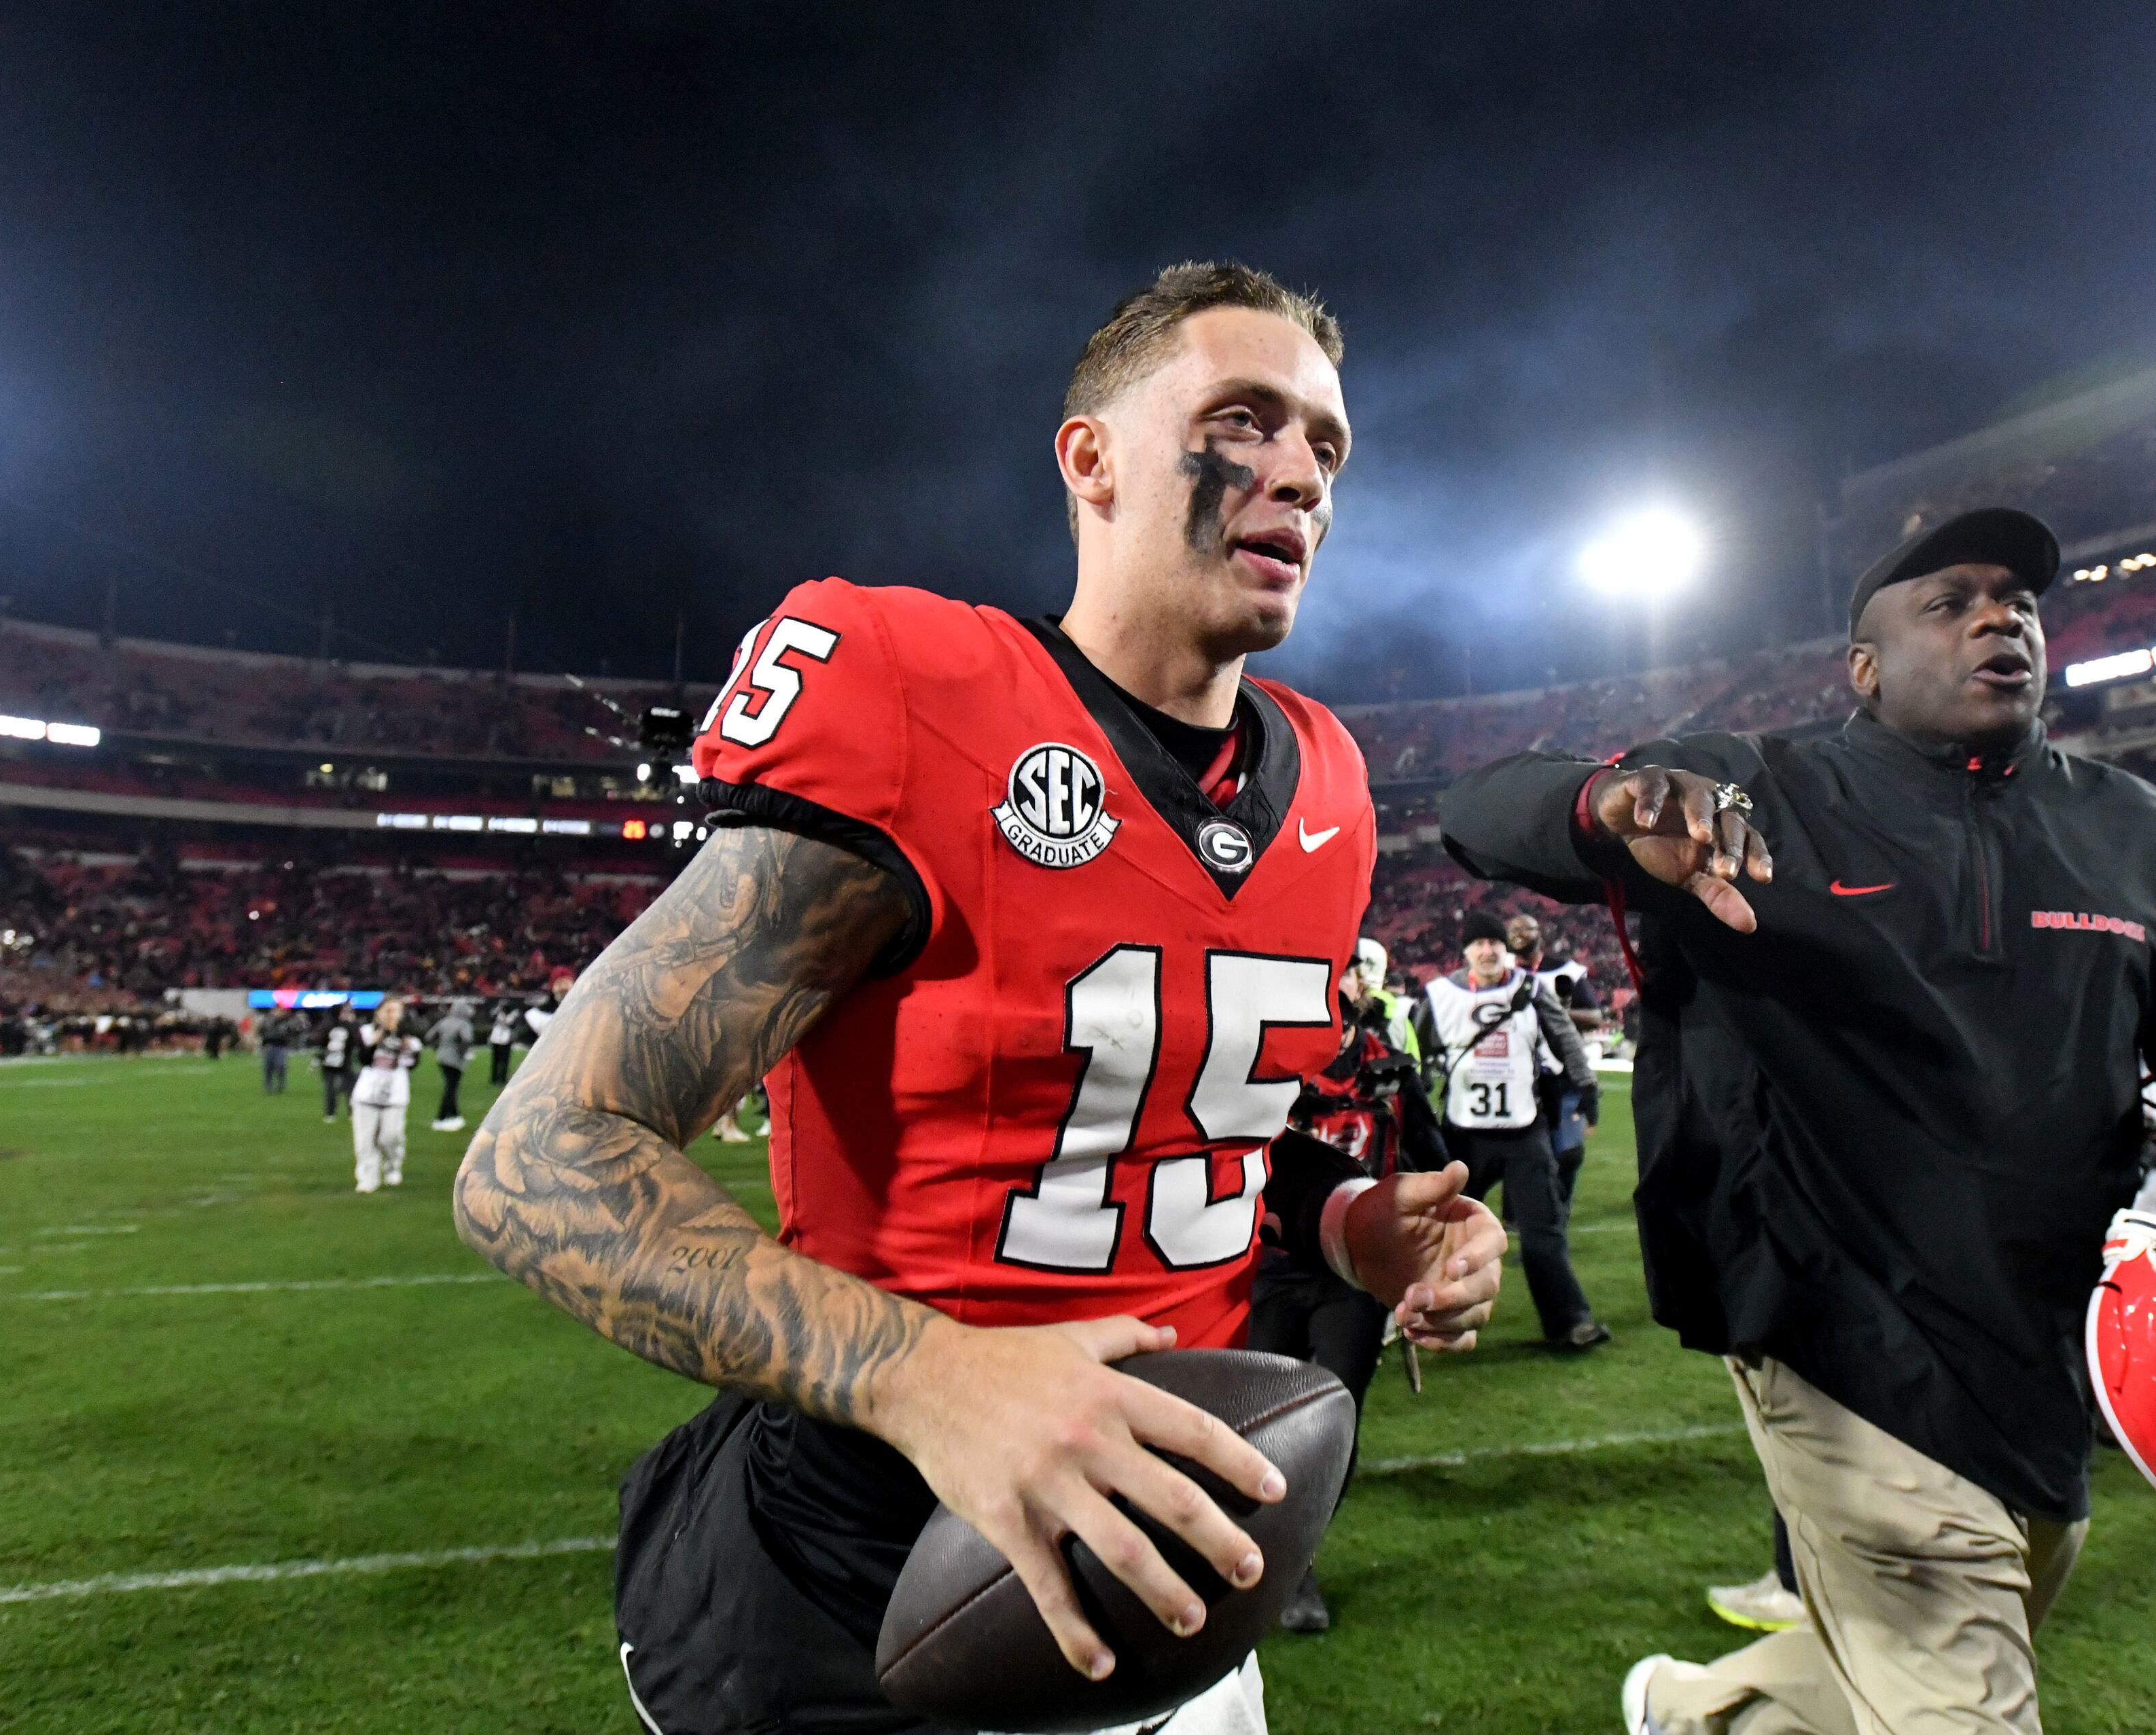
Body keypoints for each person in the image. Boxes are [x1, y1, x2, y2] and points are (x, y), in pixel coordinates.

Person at [453, 262, 1506, 1735]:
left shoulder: (1324, 774)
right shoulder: (914, 691)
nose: (1300, 473)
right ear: (1092, 459)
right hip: (872, 1587)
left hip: (1180, 1560)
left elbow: (1206, 1131)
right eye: (1244, 419)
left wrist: (1352, 1221)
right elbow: (538, 1160)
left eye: (1327, 445)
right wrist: (935, 1377)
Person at [1438, 507, 2156, 1735]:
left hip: (2058, 1322)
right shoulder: (1761, 783)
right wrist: (1612, 801)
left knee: (1966, 1619)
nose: (2000, 617)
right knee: (1963, 1696)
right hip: (1830, 1303)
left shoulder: (2155, 839)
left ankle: (1696, 1710)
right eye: (1953, 599)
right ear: (1863, 668)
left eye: (2020, 600)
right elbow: (1479, 807)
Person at [1250, 971, 1451, 1635]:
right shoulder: (1261, 1063)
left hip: (1352, 1275)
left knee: (1334, 1417)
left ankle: (1295, 1560)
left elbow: (1426, 1153)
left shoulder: (1389, 1071)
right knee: (1255, 1419)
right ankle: (1252, 1551)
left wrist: (1428, 1241)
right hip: (1269, 1267)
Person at [1416, 908, 1608, 1350]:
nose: (1488, 950)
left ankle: (1570, 1322)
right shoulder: (1441, 995)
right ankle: (1426, 1316)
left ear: (1506, 950)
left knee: (1544, 1232)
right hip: (1465, 1134)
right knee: (1443, 1231)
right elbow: (1418, 1054)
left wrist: (1587, 1088)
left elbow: (1567, 1040)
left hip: (1524, 1131)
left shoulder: (1532, 989)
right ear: (1466, 952)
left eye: (1495, 943)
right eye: (1479, 944)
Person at [1505, 911, 1603, 1205]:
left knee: (1569, 1152)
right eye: (1514, 930)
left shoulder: (1567, 972)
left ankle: (1558, 1209)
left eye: (1527, 929)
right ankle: (1518, 1212)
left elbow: (1595, 1016)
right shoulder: (1502, 975)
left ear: (1540, 934)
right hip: (1516, 1072)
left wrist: (1554, 1011)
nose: (1520, 935)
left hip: (1561, 1072)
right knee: (1520, 1148)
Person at [350, 996, 423, 1194]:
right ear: (378, 1013)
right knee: (365, 1140)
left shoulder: (411, 1039)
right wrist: (377, 1039)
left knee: (390, 1137)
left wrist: (405, 1045)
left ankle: (392, 1166)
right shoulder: (366, 1033)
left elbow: (412, 1063)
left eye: (395, 1010)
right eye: (387, 1010)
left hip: (395, 1095)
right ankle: (367, 1178)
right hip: (367, 1094)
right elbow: (363, 1059)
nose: (391, 1015)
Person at [429, 999, 476, 1132]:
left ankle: (455, 1115)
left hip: (442, 1056)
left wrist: (439, 1047)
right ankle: (441, 1117)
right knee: (451, 1088)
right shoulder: (464, 1024)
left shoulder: (444, 1021)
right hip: (455, 1059)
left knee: (451, 1086)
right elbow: (467, 1040)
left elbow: (430, 1037)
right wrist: (462, 1054)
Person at [319, 1014, 357, 1124]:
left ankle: (330, 1114)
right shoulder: (348, 1027)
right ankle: (351, 1113)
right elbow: (354, 1041)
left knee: (332, 1088)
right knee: (348, 1089)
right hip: (343, 1062)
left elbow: (322, 1043)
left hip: (330, 1062)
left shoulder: (327, 1026)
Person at [259, 1010, 294, 1095]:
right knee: (268, 1067)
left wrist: (287, 1042)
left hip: (281, 1047)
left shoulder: (286, 1023)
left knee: (280, 1066)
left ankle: (281, 1085)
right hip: (269, 1046)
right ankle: (269, 1086)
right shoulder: (268, 1022)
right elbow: (262, 1032)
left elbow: (291, 1033)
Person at [484, 1001, 519, 1084]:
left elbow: (511, 1025)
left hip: (506, 1039)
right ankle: (494, 1078)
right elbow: (492, 1018)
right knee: (496, 1060)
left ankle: (502, 1078)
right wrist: (497, 1012)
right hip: (496, 1038)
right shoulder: (498, 1013)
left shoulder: (513, 1015)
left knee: (504, 1060)